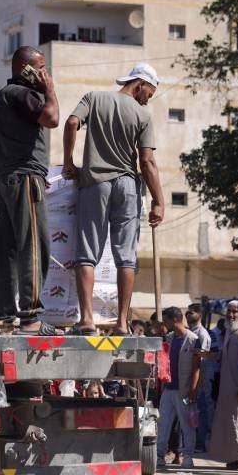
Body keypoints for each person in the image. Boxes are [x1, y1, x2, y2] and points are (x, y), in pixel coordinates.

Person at [61, 63, 166, 335]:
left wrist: (68, 162)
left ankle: (87, 320)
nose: (147, 99)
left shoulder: (94, 98)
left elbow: (71, 123)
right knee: (126, 257)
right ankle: (121, 323)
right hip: (127, 186)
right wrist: (159, 200)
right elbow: (147, 161)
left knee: (87, 254)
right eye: (149, 93)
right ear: (140, 84)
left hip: (95, 184)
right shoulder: (142, 115)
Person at [0, 46, 60, 335]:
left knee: (6, 249)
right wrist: (50, 91)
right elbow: (52, 118)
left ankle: (4, 317)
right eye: (40, 68)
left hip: (7, 177)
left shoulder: (0, 97)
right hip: (24, 177)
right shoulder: (22, 94)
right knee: (33, 245)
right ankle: (31, 318)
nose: (44, 73)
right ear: (25, 69)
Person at [206, 301, 238, 469]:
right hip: (226, 385)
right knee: (227, 422)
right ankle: (235, 457)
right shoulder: (229, 332)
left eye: (235, 311)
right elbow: (223, 357)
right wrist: (205, 355)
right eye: (229, 311)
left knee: (237, 421)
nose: (232, 315)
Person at [156, 306, 201, 469]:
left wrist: (193, 391)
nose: (164, 324)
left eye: (166, 320)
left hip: (185, 391)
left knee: (187, 425)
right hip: (168, 390)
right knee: (163, 424)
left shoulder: (193, 339)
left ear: (174, 320)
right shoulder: (168, 338)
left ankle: (187, 456)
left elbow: (196, 368)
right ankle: (159, 455)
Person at [186, 303, 213, 451]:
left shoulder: (202, 334)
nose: (188, 315)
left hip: (200, 380)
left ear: (199, 315)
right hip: (189, 378)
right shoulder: (189, 332)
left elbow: (201, 360)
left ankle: (200, 443)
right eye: (187, 313)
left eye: (191, 313)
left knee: (200, 411)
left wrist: (196, 385)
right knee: (190, 410)